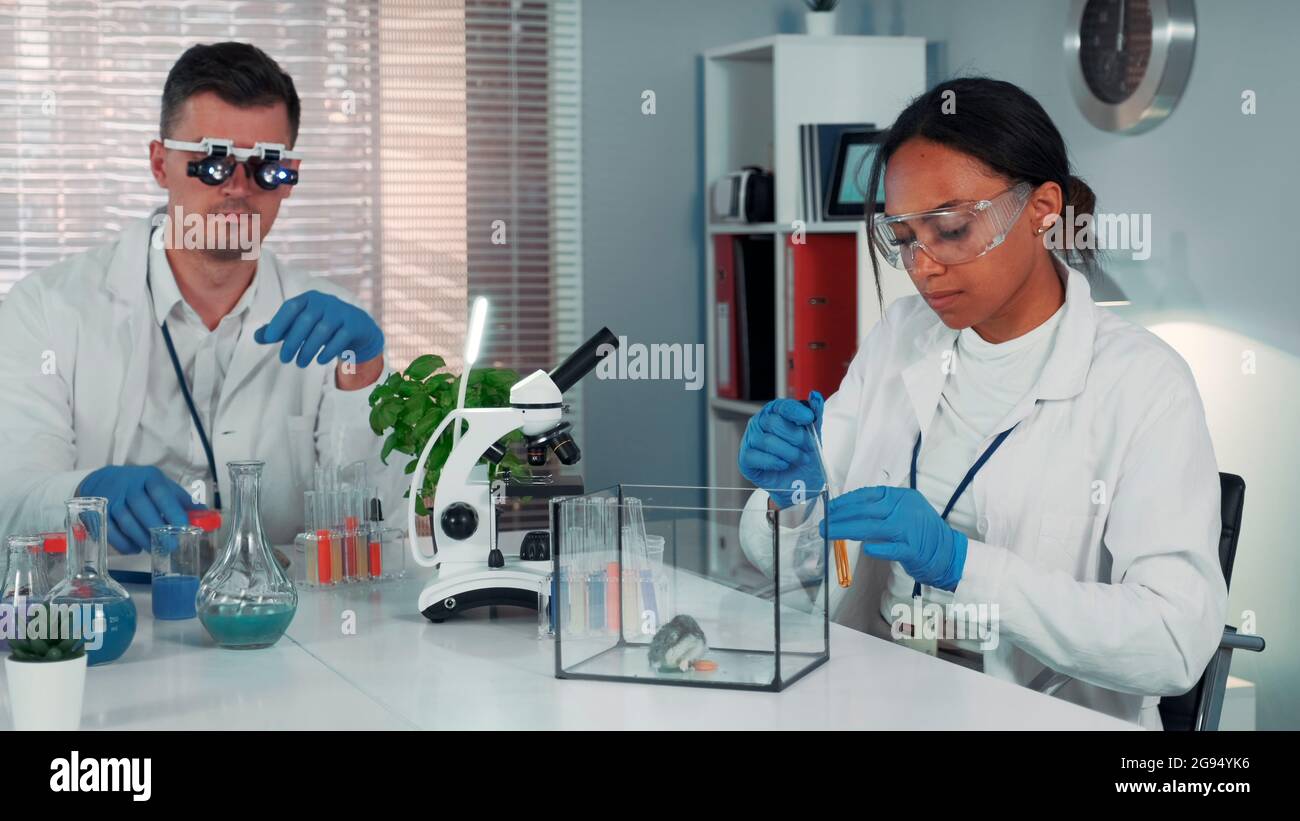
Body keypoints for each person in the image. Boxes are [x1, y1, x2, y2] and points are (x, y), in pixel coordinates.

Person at [736, 77, 1227, 729]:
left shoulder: (1144, 384)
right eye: (903, 236)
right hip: (869, 696)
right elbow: (805, 570)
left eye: (951, 229)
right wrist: (796, 497)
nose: (923, 265)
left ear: (1042, 208)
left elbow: (1173, 642)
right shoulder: (899, 338)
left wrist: (966, 566)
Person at [0, 42, 403, 569]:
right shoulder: (47, 311)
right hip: (114, 629)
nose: (238, 188)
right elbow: (12, 505)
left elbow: (380, 521)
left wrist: (365, 378)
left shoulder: (330, 327)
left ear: (289, 180)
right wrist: (86, 497)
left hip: (282, 628)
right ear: (159, 163)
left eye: (265, 168)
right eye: (212, 164)